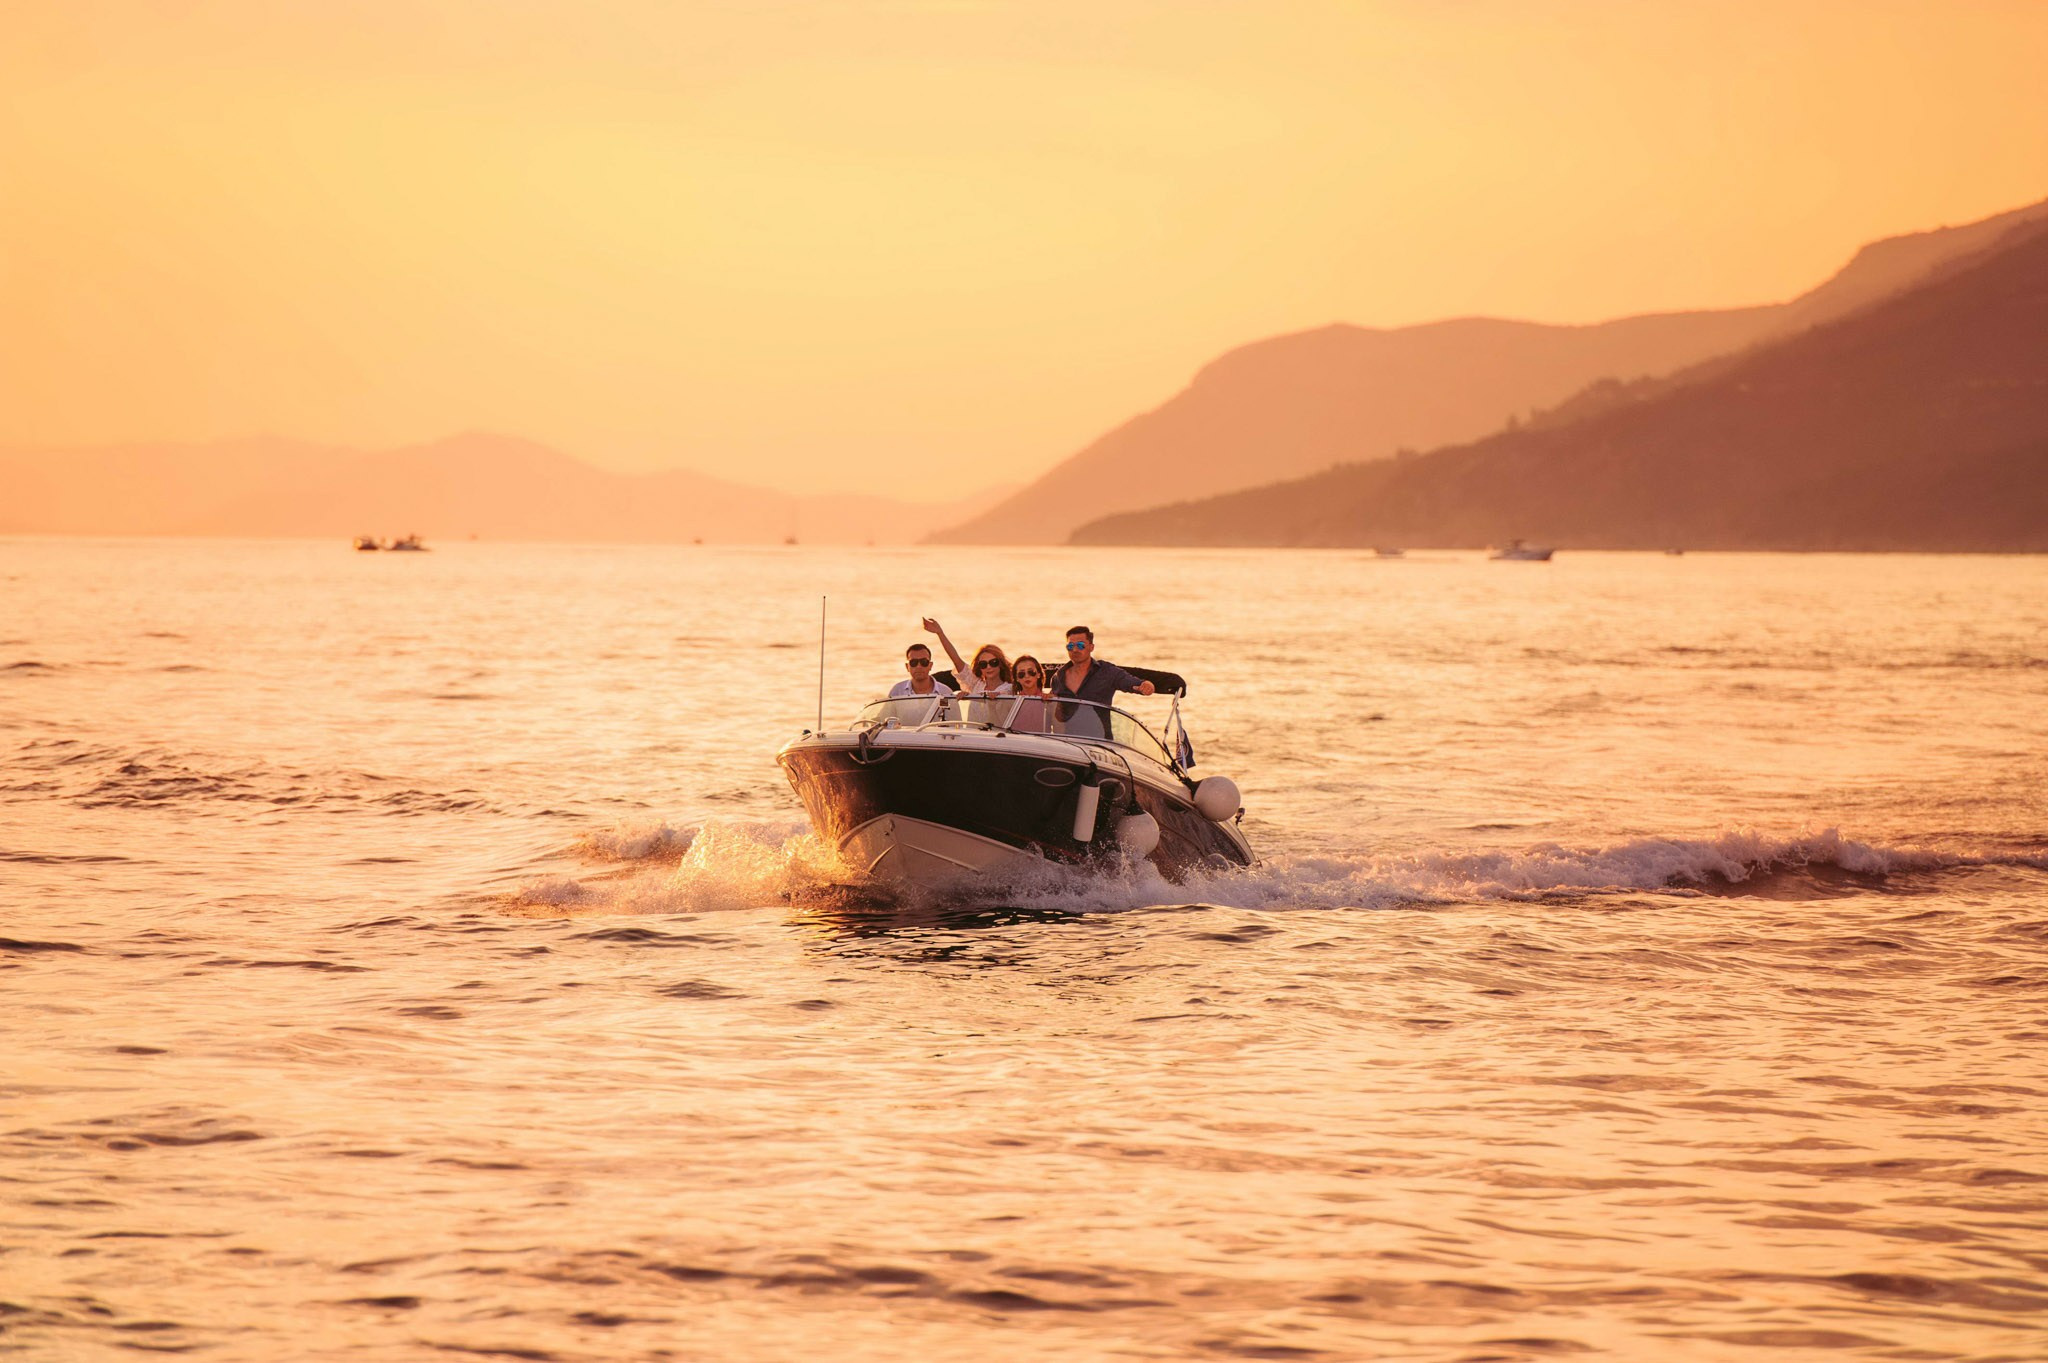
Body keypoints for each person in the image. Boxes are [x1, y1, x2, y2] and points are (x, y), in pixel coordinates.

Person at [1051, 625, 1153, 740]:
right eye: (1070, 646)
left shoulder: (1107, 672)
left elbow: (1131, 682)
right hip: (1067, 742)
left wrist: (1146, 685)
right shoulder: (1058, 677)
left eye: (1080, 645)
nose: (1075, 650)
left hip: (1099, 743)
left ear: (1091, 647)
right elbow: (1053, 708)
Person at [920, 618, 1013, 698]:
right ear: (979, 667)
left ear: (1000, 663)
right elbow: (956, 659)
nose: (988, 667)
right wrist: (940, 633)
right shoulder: (975, 684)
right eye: (983, 664)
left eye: (993, 662)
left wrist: (997, 696)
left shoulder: (1010, 688)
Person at [887, 642, 954, 705]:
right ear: (907, 666)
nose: (919, 666)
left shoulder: (945, 693)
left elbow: (953, 717)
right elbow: (884, 716)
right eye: (913, 662)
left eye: (924, 662)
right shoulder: (897, 691)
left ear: (930, 665)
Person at [1007, 654, 1052, 733]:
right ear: (1017, 678)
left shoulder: (1049, 700)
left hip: (1043, 742)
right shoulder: (1011, 702)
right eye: (1021, 674)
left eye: (1031, 672)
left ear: (1038, 674)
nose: (1027, 676)